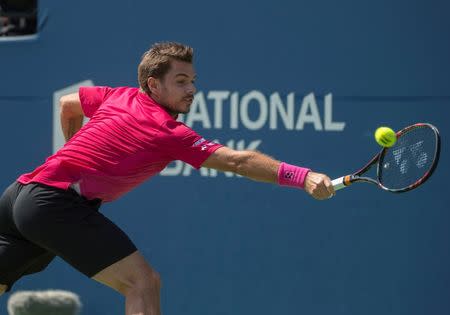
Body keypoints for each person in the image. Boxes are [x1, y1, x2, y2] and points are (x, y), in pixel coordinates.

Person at [0, 42, 335, 315]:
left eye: (192, 80)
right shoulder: (167, 132)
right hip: (52, 204)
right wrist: (303, 177)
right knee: (142, 284)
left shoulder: (119, 96)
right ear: (153, 84)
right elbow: (238, 161)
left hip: (20, 195)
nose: (192, 89)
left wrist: (70, 150)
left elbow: (67, 104)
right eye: (181, 82)